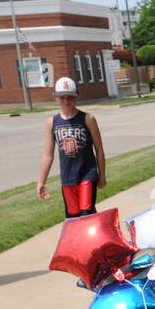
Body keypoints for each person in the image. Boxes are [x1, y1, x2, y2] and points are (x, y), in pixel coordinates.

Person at [36, 77, 107, 217]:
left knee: (86, 211)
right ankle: (86, 236)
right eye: (62, 98)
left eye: (71, 97)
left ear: (77, 97)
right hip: (68, 177)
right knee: (73, 216)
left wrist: (102, 175)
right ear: (56, 98)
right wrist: (41, 181)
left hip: (88, 174)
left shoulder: (88, 119)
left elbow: (99, 149)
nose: (67, 101)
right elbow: (48, 154)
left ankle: (92, 235)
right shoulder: (52, 122)